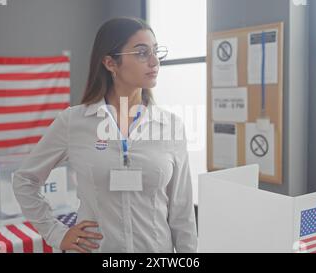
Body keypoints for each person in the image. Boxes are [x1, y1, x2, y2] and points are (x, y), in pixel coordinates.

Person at [13, 17, 197, 253]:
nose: (154, 62)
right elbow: (24, 180)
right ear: (110, 63)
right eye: (141, 53)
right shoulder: (73, 122)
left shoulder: (171, 126)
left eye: (155, 51)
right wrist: (55, 234)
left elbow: (182, 212)